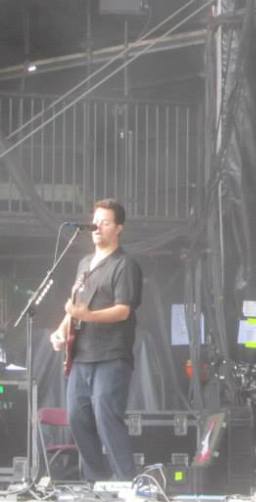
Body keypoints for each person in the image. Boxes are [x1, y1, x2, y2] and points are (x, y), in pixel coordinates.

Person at [50, 198, 143, 481]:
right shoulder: (84, 264)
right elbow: (74, 307)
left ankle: (127, 481)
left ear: (119, 228)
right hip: (81, 356)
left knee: (106, 416)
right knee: (77, 418)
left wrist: (87, 316)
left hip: (111, 355)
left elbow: (123, 310)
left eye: (104, 222)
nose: (97, 227)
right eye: (95, 221)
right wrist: (61, 330)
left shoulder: (124, 264)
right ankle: (97, 482)